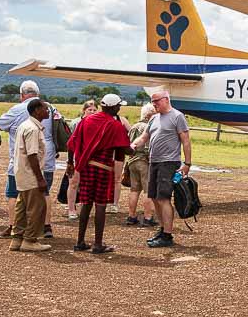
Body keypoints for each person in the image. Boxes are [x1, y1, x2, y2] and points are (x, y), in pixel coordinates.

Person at [0, 80, 62, 239]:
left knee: (14, 194)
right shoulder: (52, 108)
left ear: (22, 95)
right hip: (47, 157)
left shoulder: (18, 110)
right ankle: (46, 227)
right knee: (44, 193)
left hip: (22, 161)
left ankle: (14, 227)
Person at [66, 94, 132, 254]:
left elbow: (72, 143)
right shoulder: (115, 125)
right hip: (103, 169)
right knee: (101, 205)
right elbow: (124, 148)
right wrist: (134, 147)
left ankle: (80, 242)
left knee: (86, 203)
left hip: (86, 167)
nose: (119, 108)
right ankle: (97, 244)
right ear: (112, 107)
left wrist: (70, 162)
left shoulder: (86, 121)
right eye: (118, 106)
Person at [131, 90, 191, 248]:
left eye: (156, 101)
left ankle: (167, 235)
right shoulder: (154, 119)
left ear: (166, 99)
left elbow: (185, 140)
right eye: (152, 102)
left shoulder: (177, 116)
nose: (154, 104)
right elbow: (144, 137)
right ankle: (162, 229)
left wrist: (187, 163)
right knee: (155, 197)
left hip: (169, 162)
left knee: (163, 198)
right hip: (153, 162)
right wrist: (133, 145)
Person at [10, 99, 52, 254]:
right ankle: (30, 240)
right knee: (37, 208)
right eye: (45, 109)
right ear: (36, 111)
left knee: (22, 207)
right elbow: (32, 155)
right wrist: (40, 178)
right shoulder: (33, 129)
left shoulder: (25, 125)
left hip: (22, 173)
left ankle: (17, 239)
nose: (48, 111)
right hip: (30, 174)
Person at [123, 102, 157, 227]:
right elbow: (149, 146)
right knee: (148, 191)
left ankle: (131, 216)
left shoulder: (133, 126)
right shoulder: (148, 127)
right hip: (144, 161)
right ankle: (148, 217)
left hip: (132, 161)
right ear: (150, 115)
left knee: (134, 190)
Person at [65, 99, 99, 220]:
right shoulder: (76, 123)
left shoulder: (98, 124)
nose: (92, 112)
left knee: (88, 184)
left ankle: (84, 209)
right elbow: (70, 143)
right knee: (73, 183)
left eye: (95, 110)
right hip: (76, 157)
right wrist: (70, 161)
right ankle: (71, 209)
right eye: (90, 109)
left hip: (91, 158)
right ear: (84, 110)